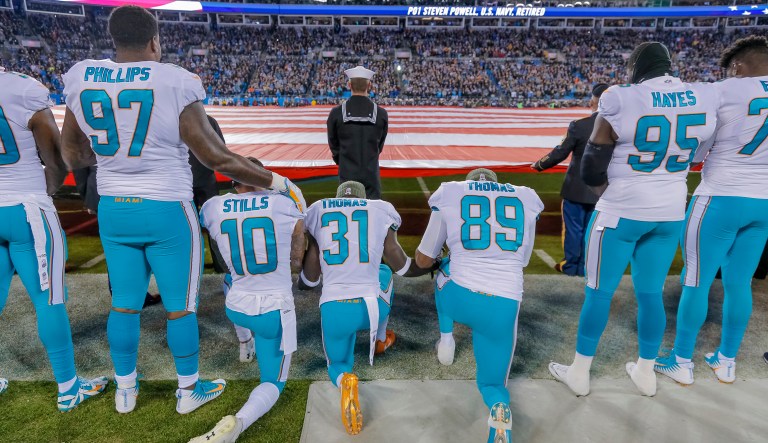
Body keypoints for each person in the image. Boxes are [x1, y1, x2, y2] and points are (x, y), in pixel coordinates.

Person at [59, 5, 292, 415]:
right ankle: (188, 390)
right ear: (154, 41)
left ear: (114, 40)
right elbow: (215, 157)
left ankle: (125, 391)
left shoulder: (82, 76)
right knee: (180, 306)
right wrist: (276, 181)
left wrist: (118, 163)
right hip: (166, 207)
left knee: (124, 303)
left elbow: (74, 155)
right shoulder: (175, 80)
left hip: (114, 208)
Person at [548, 42, 719, 397]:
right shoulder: (703, 96)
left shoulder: (620, 97)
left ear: (637, 67)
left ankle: (579, 372)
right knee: (651, 293)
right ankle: (645, 372)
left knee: (598, 293)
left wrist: (610, 197)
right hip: (670, 211)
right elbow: (699, 154)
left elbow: (591, 167)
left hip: (622, 211)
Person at [655, 36, 768, 385]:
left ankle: (681, 360)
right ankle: (726, 360)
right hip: (764, 202)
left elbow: (698, 146)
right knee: (740, 284)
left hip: (720, 196)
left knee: (696, 280)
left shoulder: (723, 89)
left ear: (738, 65)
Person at [0, 67, 108, 409]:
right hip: (26, 209)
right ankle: (68, 388)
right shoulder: (22, 88)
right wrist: (43, 191)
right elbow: (57, 160)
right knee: (49, 299)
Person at [414, 168, 543, 443]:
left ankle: (446, 341)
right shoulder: (526, 197)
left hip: (460, 297)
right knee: (492, 384)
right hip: (504, 304)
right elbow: (522, 260)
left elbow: (423, 259)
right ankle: (499, 407)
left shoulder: (450, 192)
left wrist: (448, 254)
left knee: (443, 270)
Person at [300, 181, 433, 435]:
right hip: (371, 308)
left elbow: (310, 279)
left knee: (337, 363)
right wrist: (430, 265)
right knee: (384, 272)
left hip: (335, 308)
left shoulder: (318, 210)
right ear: (363, 199)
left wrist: (301, 281)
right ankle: (380, 339)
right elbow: (401, 265)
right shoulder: (381, 209)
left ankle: (345, 380)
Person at [190, 157, 306, 443]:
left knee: (229, 279)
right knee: (273, 382)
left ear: (233, 182)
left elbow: (197, 221)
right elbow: (298, 240)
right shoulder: (282, 203)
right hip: (272, 311)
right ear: (263, 177)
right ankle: (238, 423)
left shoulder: (213, 207)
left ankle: (245, 343)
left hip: (237, 306)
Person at [531, 84, 607, 276]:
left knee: (573, 230)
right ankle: (587, 267)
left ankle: (571, 266)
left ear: (592, 102)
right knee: (593, 230)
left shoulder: (579, 125)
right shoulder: (619, 128)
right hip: (603, 190)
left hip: (575, 189)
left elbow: (560, 152)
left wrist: (539, 165)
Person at [327, 66, 389, 200]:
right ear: (369, 85)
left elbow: (333, 145)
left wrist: (343, 161)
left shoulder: (336, 113)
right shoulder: (382, 114)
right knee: (373, 210)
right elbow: (379, 146)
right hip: (371, 175)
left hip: (347, 175)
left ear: (349, 85)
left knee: (348, 210)